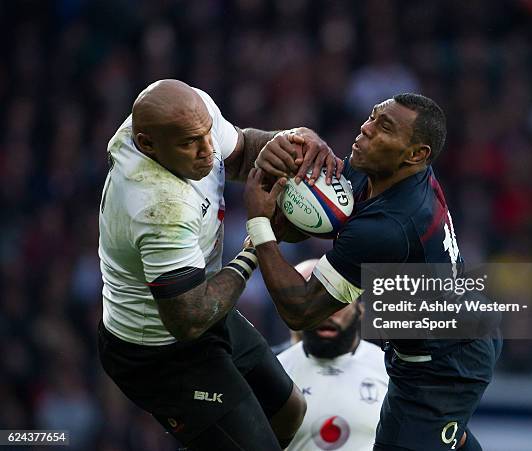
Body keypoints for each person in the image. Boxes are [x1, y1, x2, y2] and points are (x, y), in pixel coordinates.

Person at [243, 93, 502, 451]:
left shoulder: (392, 225)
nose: (365, 129)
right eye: (372, 117)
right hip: (453, 327)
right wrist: (296, 138)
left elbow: (300, 310)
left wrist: (259, 224)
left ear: (416, 154)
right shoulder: (385, 173)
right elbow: (327, 214)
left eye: (384, 127)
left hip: (445, 366)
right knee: (439, 438)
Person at [97, 79, 342, 451]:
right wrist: (255, 245)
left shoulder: (189, 114)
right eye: (190, 144)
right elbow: (189, 319)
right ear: (147, 144)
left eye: (207, 135)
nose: (208, 152)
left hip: (204, 309)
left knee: (290, 411)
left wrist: (291, 144)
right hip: (158, 351)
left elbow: (243, 152)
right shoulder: (157, 205)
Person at [278, 259, 388, 451]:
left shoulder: (391, 371)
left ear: (359, 308)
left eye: (338, 301)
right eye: (314, 302)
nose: (327, 313)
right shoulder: (276, 370)